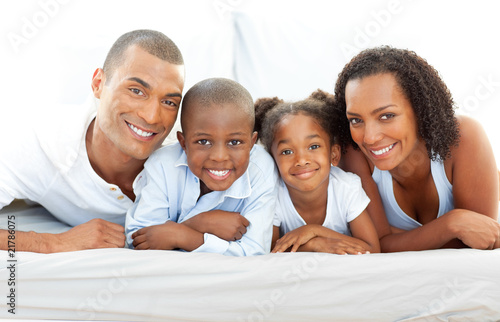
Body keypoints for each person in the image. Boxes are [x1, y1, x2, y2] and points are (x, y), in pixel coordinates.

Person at [0, 29, 185, 253]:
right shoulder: (39, 142)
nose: (152, 117)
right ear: (98, 83)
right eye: (136, 91)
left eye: (169, 102)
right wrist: (53, 243)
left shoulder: (189, 152)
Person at [334, 46, 500, 252]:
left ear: (420, 109)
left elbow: (483, 238)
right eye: (356, 120)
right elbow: (376, 245)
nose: (369, 137)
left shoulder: (463, 137)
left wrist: (396, 237)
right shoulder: (354, 153)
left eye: (386, 116)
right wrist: (452, 223)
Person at [125, 78, 278, 256]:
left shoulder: (260, 169)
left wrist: (181, 235)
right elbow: (141, 240)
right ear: (183, 143)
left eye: (235, 142)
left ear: (252, 144)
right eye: (203, 141)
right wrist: (201, 223)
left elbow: (253, 252)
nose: (219, 157)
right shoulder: (162, 164)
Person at [254, 90, 380, 254]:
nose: (301, 160)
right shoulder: (273, 194)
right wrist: (314, 245)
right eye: (287, 152)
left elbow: (372, 249)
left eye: (313, 147)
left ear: (333, 155)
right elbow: (269, 251)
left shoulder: (347, 188)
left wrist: (315, 231)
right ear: (273, 161)